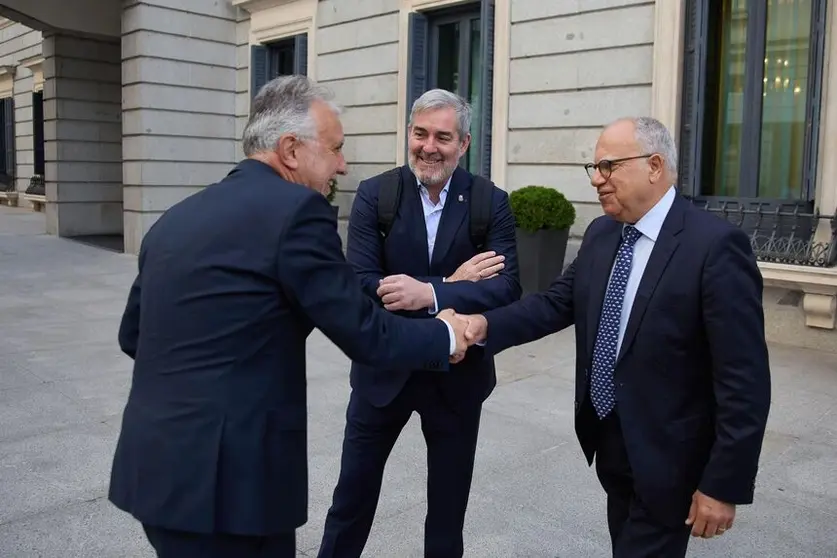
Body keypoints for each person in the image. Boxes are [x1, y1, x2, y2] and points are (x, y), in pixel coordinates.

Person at [108, 75, 471, 558]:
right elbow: (367, 334)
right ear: (291, 150)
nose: (342, 165)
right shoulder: (298, 211)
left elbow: (133, 335)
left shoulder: (176, 218)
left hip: (153, 472)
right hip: (230, 488)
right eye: (335, 149)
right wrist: (447, 334)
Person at [458, 117, 772, 557]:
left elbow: (744, 380)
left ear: (654, 166)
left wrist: (723, 484)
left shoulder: (716, 246)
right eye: (594, 168)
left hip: (672, 458)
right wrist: (484, 325)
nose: (597, 180)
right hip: (610, 441)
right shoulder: (603, 233)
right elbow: (556, 303)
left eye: (608, 166)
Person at [317, 89, 521, 558]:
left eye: (443, 137)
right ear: (409, 133)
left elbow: (507, 288)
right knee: (350, 502)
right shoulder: (376, 195)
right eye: (420, 133)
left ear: (464, 143)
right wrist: (454, 283)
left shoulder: (490, 202)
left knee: (447, 515)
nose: (429, 147)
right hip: (383, 372)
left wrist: (428, 292)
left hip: (457, 377)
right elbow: (363, 284)